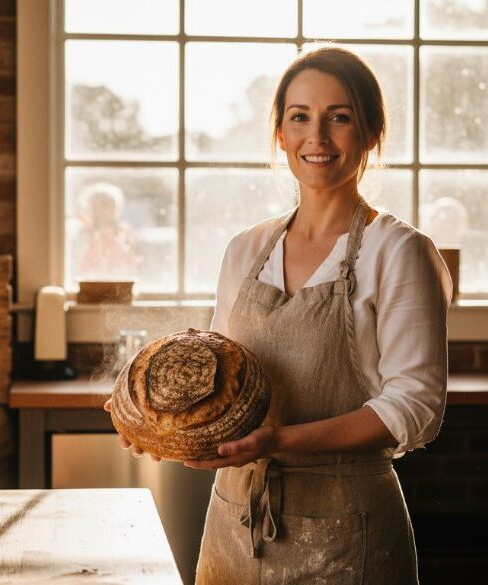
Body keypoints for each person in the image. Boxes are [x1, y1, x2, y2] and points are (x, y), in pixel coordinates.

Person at [107, 44, 451, 584]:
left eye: (339, 117)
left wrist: (280, 440)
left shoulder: (397, 251)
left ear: (371, 133)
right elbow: (219, 376)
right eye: (300, 118)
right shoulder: (246, 249)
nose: (317, 137)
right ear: (281, 135)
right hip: (234, 524)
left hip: (347, 532)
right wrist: (153, 421)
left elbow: (415, 409)